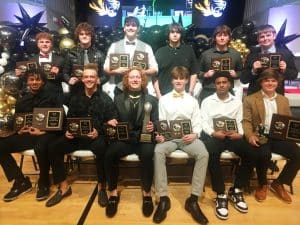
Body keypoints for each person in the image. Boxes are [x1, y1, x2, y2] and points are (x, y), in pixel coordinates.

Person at [45, 64, 118, 207]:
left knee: (103, 149)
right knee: (53, 147)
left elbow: (113, 122)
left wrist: (99, 130)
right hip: (77, 137)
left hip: (95, 137)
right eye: (86, 77)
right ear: (82, 79)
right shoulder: (75, 98)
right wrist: (67, 129)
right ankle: (64, 187)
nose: (89, 79)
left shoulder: (106, 99)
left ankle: (102, 187)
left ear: (97, 79)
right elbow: (69, 118)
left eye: (92, 77)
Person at [153, 66, 208, 224]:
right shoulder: (163, 99)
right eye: (176, 78)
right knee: (158, 152)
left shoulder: (192, 100)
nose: (178, 81)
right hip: (170, 139)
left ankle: (193, 199)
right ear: (172, 80)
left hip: (187, 138)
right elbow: (162, 122)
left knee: (203, 153)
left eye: (182, 78)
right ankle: (163, 198)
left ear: (186, 81)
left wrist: (195, 134)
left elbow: (198, 122)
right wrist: (161, 135)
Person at [0, 68, 61, 202]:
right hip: (29, 135)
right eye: (31, 79)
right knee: (1, 145)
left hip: (48, 134)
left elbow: (61, 120)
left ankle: (44, 181)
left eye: (38, 79)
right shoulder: (22, 101)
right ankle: (20, 180)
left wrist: (43, 131)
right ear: (27, 82)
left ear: (43, 82)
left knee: (40, 147)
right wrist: (19, 130)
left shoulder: (52, 97)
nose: (34, 82)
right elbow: (19, 121)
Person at [200, 71, 255, 220]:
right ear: (215, 85)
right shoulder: (207, 101)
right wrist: (212, 133)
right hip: (216, 136)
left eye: (224, 82)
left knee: (250, 152)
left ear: (229, 84)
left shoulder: (237, 102)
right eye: (218, 83)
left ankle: (236, 189)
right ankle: (220, 193)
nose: (222, 85)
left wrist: (241, 134)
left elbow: (240, 121)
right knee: (211, 152)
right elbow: (203, 122)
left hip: (233, 136)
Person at [105, 68, 158, 218]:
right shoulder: (118, 99)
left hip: (144, 138)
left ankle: (146, 193)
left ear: (142, 81)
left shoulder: (152, 100)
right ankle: (113, 193)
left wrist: (154, 125)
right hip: (125, 139)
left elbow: (156, 120)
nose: (135, 80)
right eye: (132, 77)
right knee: (110, 154)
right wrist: (111, 121)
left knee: (148, 154)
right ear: (127, 81)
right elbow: (113, 117)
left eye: (138, 77)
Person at [243, 68, 300, 203]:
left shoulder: (283, 100)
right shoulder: (250, 99)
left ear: (277, 83)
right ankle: (262, 184)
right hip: (260, 136)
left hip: (279, 136)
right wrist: (250, 135)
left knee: (298, 154)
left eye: (273, 81)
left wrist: (293, 134)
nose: (270, 83)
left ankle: (279, 183)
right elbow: (246, 121)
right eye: (266, 80)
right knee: (263, 155)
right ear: (261, 82)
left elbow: (288, 121)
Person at [103, 16, 158, 99]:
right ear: (124, 28)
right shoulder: (114, 46)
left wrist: (141, 72)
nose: (130, 28)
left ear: (138, 29)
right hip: (119, 90)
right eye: (128, 25)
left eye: (133, 25)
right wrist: (116, 71)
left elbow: (155, 70)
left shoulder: (147, 47)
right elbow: (106, 69)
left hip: (141, 90)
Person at [241, 24, 298, 96]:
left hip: (277, 96)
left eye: (268, 35)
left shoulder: (286, 53)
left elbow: (294, 75)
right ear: (258, 39)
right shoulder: (252, 54)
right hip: (255, 97)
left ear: (274, 36)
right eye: (262, 37)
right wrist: (253, 71)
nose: (265, 38)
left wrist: (284, 70)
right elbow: (243, 79)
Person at [198, 25, 243, 104]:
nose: (222, 38)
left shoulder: (235, 54)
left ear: (229, 38)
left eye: (225, 35)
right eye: (219, 35)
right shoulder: (206, 54)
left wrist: (236, 75)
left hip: (227, 91)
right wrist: (206, 74)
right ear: (215, 38)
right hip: (209, 91)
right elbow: (198, 72)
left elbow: (241, 72)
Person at [16, 32, 65, 103]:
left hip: (55, 96)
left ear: (51, 44)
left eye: (47, 42)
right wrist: (21, 75)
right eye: (41, 42)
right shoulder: (31, 60)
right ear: (37, 44)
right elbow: (29, 79)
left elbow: (66, 77)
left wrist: (57, 74)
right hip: (36, 96)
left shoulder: (60, 60)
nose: (44, 44)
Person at [154, 22, 199, 98]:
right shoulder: (160, 52)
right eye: (172, 32)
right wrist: (158, 94)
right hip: (164, 95)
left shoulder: (189, 50)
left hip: (184, 95)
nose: (175, 35)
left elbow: (194, 73)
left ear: (181, 34)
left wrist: (190, 91)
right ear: (168, 34)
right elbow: (155, 76)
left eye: (177, 32)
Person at [63, 22, 106, 98]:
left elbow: (105, 75)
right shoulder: (70, 53)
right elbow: (65, 73)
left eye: (87, 34)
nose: (84, 36)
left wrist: (100, 80)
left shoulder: (100, 54)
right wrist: (69, 80)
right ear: (78, 36)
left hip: (95, 92)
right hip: (76, 91)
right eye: (81, 34)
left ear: (91, 36)